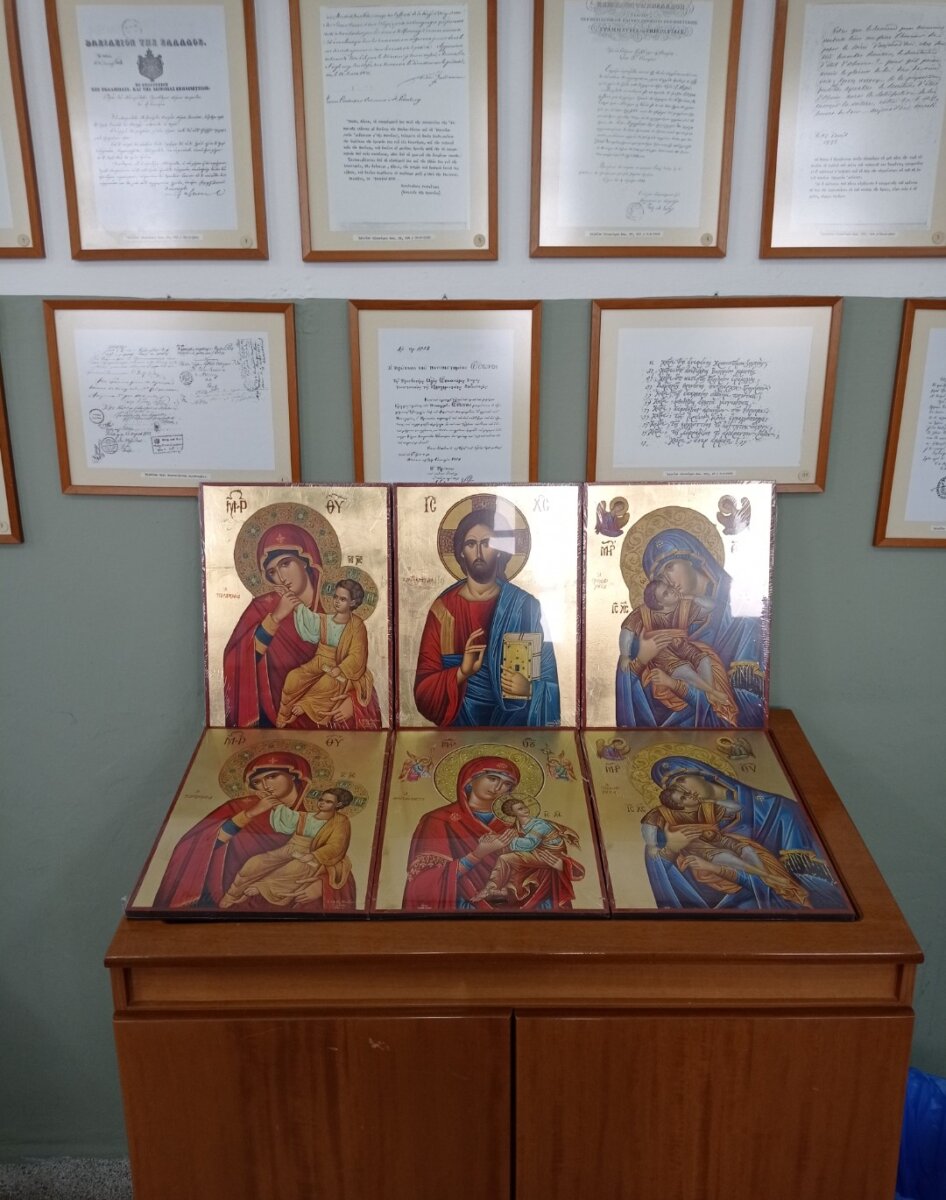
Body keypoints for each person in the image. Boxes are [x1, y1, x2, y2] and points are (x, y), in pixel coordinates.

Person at [639, 756, 849, 912]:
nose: (684, 793)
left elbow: (817, 880)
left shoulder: (778, 809)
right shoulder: (670, 822)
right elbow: (660, 864)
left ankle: (765, 876)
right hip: (734, 904)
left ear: (702, 772)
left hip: (787, 900)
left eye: (681, 780)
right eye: (676, 793)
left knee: (746, 852)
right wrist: (672, 848)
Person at [223, 524, 381, 730]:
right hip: (274, 724)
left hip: (332, 712)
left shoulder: (335, 606)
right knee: (294, 679)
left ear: (306, 560)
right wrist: (275, 618)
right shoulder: (263, 608)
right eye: (272, 572)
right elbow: (237, 663)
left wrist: (354, 701)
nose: (281, 577)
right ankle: (286, 714)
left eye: (285, 564)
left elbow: (358, 665)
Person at [414, 507, 560, 726]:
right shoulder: (443, 610)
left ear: (500, 550)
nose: (479, 553)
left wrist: (530, 689)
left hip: (514, 727)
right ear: (461, 552)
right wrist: (461, 673)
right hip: (460, 727)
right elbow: (423, 692)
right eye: (470, 544)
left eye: (487, 544)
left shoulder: (525, 607)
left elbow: (549, 679)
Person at [616, 527, 764, 728]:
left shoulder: (742, 615)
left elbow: (751, 703)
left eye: (669, 567)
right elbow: (631, 686)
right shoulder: (646, 624)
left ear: (692, 557)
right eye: (660, 578)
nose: (668, 581)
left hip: (723, 731)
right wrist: (642, 658)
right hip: (666, 733)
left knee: (701, 660)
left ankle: (710, 691)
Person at [153, 751, 329, 913]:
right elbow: (199, 845)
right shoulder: (239, 807)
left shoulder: (319, 818)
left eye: (272, 776)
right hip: (232, 899)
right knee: (255, 864)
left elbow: (334, 860)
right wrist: (250, 814)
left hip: (290, 897)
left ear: (295, 776)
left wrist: (322, 886)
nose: (265, 785)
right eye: (257, 782)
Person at [402, 756, 575, 911]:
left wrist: (560, 866)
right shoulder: (439, 820)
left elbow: (549, 855)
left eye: (507, 784)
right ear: (470, 780)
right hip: (464, 906)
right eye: (492, 778)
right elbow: (424, 881)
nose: (498, 787)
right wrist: (477, 855)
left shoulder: (519, 823)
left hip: (523, 907)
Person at [218, 787, 356, 911]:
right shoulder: (305, 816)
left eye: (328, 802)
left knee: (292, 869)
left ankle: (261, 888)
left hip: (314, 855)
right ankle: (232, 895)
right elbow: (287, 816)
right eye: (321, 799)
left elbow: (337, 845)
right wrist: (273, 801)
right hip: (292, 848)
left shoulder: (340, 821)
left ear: (338, 804)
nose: (322, 803)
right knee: (255, 862)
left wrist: (314, 855)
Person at [275, 580, 375, 729]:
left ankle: (304, 706)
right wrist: (291, 598)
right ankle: (284, 714)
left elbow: (357, 654)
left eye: (343, 599)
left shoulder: (357, 626)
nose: (337, 601)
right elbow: (308, 617)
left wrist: (340, 668)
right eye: (336, 597)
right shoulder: (325, 620)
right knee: (293, 677)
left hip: (343, 670)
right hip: (320, 661)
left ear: (353, 602)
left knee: (327, 683)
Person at [471, 795, 584, 906]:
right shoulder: (518, 826)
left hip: (549, 854)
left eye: (524, 806)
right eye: (520, 808)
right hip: (537, 853)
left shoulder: (539, 825)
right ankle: (502, 889)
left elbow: (529, 844)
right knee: (511, 859)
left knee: (505, 858)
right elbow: (510, 840)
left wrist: (500, 839)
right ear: (513, 813)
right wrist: (491, 839)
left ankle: (490, 888)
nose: (525, 809)